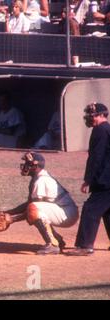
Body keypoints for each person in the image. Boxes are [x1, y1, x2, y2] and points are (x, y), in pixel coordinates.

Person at [0, 152, 79, 255]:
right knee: (36, 210)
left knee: (35, 211)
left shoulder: (41, 180)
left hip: (66, 213)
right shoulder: (38, 177)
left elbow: (33, 208)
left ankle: (53, 245)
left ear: (35, 166)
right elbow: (30, 204)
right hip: (63, 211)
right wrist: (8, 212)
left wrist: (13, 219)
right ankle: (57, 240)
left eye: (28, 164)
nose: (25, 166)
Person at [68, 102, 110, 256]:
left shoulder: (100, 130)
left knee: (91, 209)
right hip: (107, 178)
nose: (89, 118)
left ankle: (85, 246)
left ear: (101, 115)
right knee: (107, 211)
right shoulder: (107, 129)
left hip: (105, 180)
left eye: (92, 115)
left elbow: (96, 158)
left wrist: (88, 180)